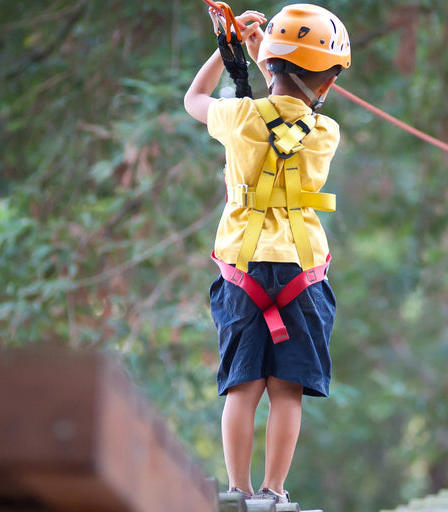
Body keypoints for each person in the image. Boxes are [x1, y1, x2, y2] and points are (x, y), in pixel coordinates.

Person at [183, 3, 352, 504]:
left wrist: (226, 48)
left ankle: (236, 489)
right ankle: (273, 492)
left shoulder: (237, 117)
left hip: (244, 270)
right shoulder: (326, 133)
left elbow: (194, 98)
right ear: (328, 83)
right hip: (302, 271)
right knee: (287, 390)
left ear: (273, 65)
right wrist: (263, 57)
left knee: (243, 387)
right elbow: (296, 109)